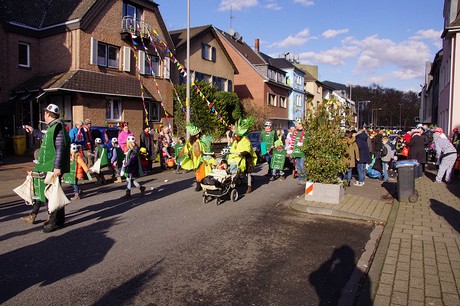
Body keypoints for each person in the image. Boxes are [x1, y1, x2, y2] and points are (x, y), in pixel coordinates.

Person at [21, 103, 70, 233]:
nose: (44, 115)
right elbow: (46, 139)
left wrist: (57, 167)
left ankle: (54, 223)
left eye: (45, 113)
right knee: (53, 193)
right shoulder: (52, 127)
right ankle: (58, 221)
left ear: (48, 114)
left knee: (52, 194)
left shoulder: (57, 127)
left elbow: (60, 148)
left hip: (52, 166)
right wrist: (34, 132)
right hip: (49, 165)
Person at [227, 117, 258, 193]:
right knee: (235, 170)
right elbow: (233, 148)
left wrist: (241, 153)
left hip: (247, 158)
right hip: (238, 158)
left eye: (236, 135)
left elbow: (247, 150)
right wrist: (231, 151)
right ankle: (235, 181)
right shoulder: (236, 141)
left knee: (248, 172)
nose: (235, 136)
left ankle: (249, 186)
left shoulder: (245, 140)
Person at [180, 124, 205, 191]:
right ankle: (198, 185)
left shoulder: (200, 141)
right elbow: (186, 149)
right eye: (197, 134)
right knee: (197, 172)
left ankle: (202, 184)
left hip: (202, 158)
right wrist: (187, 153)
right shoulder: (190, 142)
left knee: (202, 171)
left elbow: (203, 148)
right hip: (195, 159)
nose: (198, 135)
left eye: (198, 134)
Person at [287, 118, 307, 185]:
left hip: (302, 153)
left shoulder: (305, 132)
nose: (295, 125)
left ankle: (305, 178)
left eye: (297, 124)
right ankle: (300, 179)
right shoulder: (295, 132)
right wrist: (291, 150)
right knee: (298, 166)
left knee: (302, 165)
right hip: (296, 152)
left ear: (301, 124)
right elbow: (292, 142)